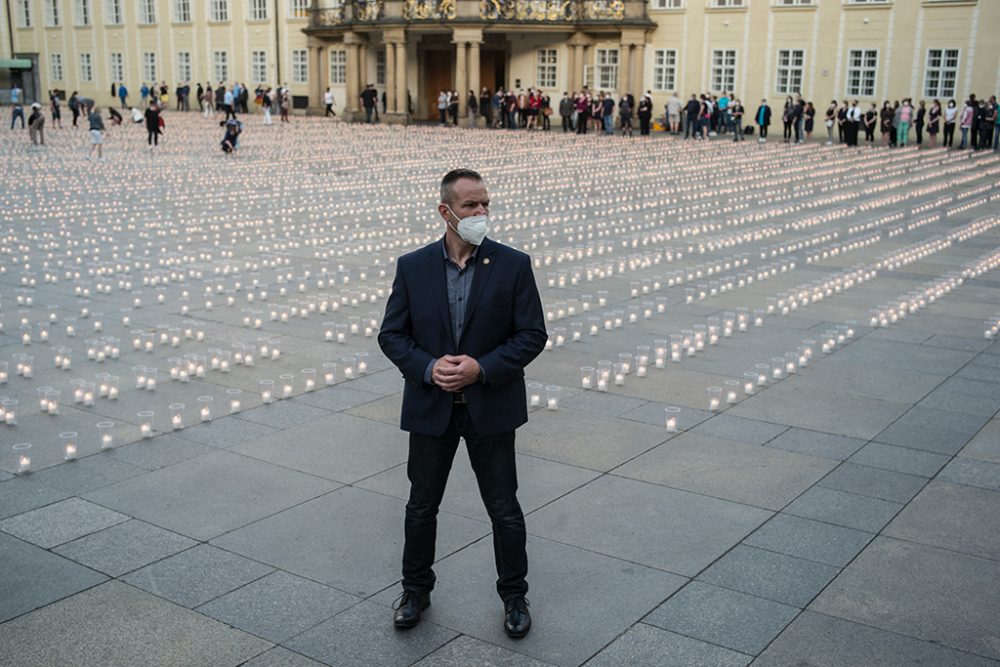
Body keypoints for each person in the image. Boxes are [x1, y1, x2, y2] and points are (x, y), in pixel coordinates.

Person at [378, 168, 546, 640]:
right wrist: (429, 368)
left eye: (485, 204)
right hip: (432, 407)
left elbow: (532, 334)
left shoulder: (513, 264)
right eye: (471, 206)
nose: (481, 213)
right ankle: (415, 590)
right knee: (420, 507)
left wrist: (482, 368)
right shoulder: (413, 266)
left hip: (489, 407)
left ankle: (514, 595)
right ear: (445, 212)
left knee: (504, 508)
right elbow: (391, 334)